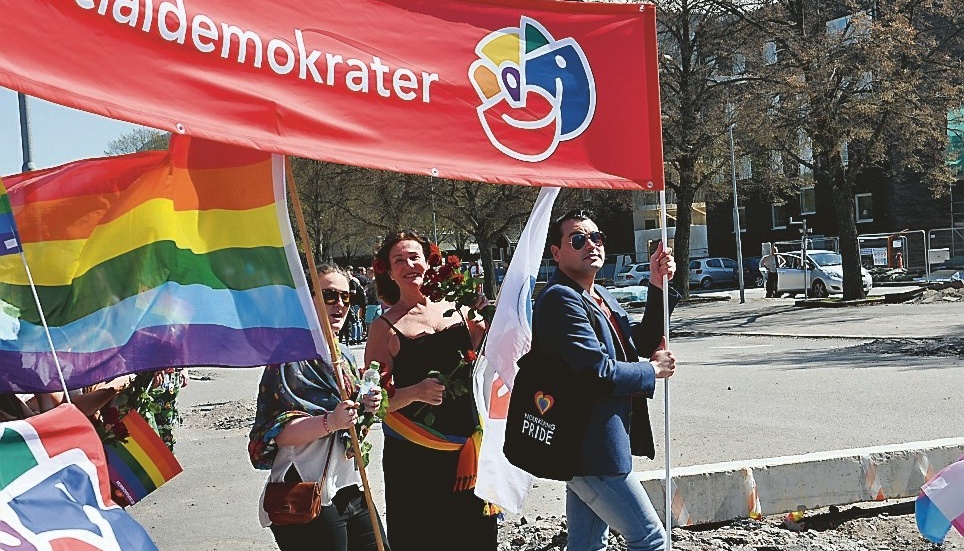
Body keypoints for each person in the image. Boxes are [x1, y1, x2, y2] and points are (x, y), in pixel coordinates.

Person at [532, 209, 679, 551]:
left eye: (596, 237)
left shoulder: (598, 294)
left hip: (591, 448)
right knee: (651, 539)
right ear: (556, 252)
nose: (591, 245)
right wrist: (653, 370)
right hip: (590, 447)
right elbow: (597, 371)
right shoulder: (560, 299)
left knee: (586, 545)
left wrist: (658, 285)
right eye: (578, 239)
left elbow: (639, 343)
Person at [364, 230, 496, 551]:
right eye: (399, 260)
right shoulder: (383, 329)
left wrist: (490, 315)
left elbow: (498, 359)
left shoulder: (463, 313)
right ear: (389, 271)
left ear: (429, 262)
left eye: (415, 257)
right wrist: (414, 393)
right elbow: (370, 402)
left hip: (469, 457)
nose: (409, 264)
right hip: (414, 463)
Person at [249, 263, 387, 551]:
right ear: (307, 300)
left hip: (349, 485)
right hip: (305, 488)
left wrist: (365, 407)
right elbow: (277, 432)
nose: (340, 304)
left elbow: (350, 421)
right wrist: (331, 422)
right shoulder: (288, 358)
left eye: (346, 297)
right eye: (329, 296)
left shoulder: (344, 355)